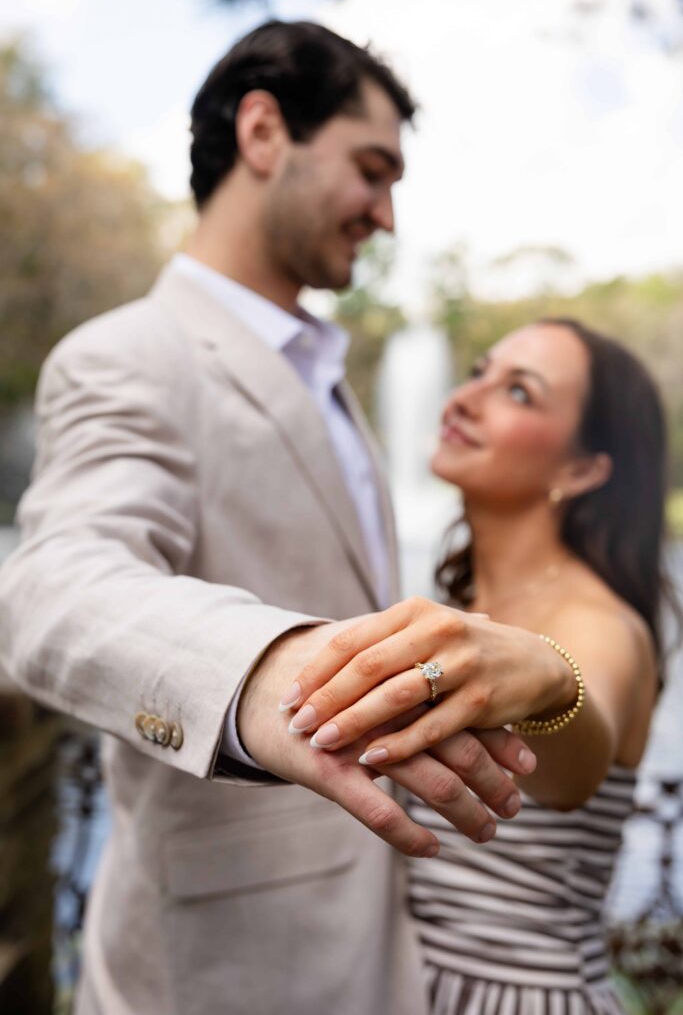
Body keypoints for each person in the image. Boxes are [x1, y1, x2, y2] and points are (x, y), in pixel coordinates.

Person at [0, 20, 575, 1015]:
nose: (386, 214)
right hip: (210, 978)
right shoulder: (130, 353)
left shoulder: (327, 379)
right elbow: (52, 589)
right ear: (263, 131)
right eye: (370, 169)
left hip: (365, 950)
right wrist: (267, 667)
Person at [284, 318, 673, 1013]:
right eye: (478, 372)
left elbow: (580, 763)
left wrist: (553, 683)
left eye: (519, 392)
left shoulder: (599, 622)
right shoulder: (458, 610)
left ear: (581, 470)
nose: (463, 399)